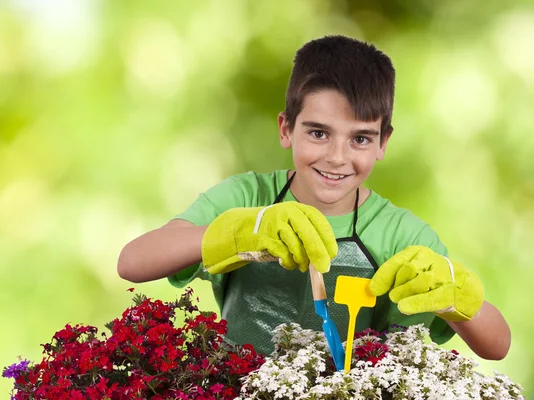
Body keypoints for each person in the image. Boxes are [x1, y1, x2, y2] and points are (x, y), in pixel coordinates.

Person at [117, 35, 511, 360]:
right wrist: (240, 233)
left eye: (359, 138)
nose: (337, 157)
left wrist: (455, 294)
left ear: (382, 143)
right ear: (286, 128)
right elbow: (132, 262)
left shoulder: (397, 234)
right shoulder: (248, 197)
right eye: (318, 133)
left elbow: (497, 346)